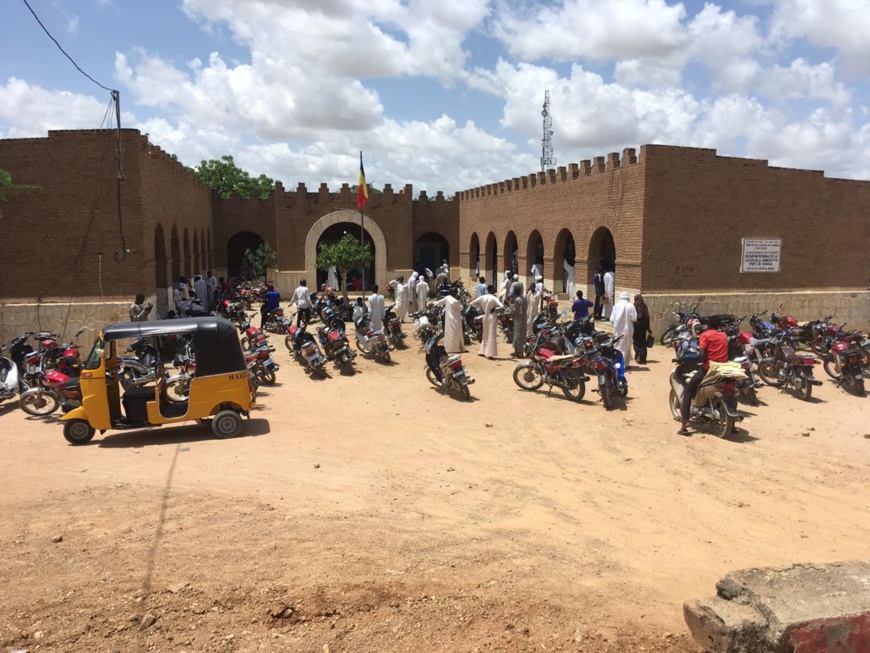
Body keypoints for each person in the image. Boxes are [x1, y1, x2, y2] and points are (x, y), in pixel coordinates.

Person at [679, 315, 730, 436]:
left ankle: (684, 424)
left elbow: (702, 354)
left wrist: (702, 357)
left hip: (709, 369)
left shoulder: (705, 335)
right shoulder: (723, 335)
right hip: (723, 369)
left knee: (688, 391)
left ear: (708, 325)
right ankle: (731, 425)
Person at [470, 285, 504, 359]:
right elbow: (502, 306)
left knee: (485, 334)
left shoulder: (483, 297)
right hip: (492, 316)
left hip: (485, 315)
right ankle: (489, 353)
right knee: (491, 334)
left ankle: (483, 351)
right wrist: (495, 308)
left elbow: (472, 303)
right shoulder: (494, 298)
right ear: (492, 290)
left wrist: (480, 308)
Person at [610, 291, 637, 371]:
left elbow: (611, 319)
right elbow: (634, 318)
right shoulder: (630, 306)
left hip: (617, 331)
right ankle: (620, 366)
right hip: (627, 330)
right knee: (625, 348)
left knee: (620, 347)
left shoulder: (616, 306)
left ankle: (626, 364)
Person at [633, 294, 651, 364]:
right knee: (643, 341)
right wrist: (648, 328)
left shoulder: (634, 306)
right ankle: (643, 357)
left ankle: (638, 354)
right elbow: (647, 317)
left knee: (636, 340)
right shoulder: (644, 306)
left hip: (636, 324)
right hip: (643, 324)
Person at [512, 292, 528, 358]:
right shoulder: (524, 298)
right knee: (522, 336)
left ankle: (517, 353)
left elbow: (518, 311)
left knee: (517, 336)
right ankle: (521, 352)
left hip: (518, 320)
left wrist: (511, 308)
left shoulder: (517, 300)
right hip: (524, 319)